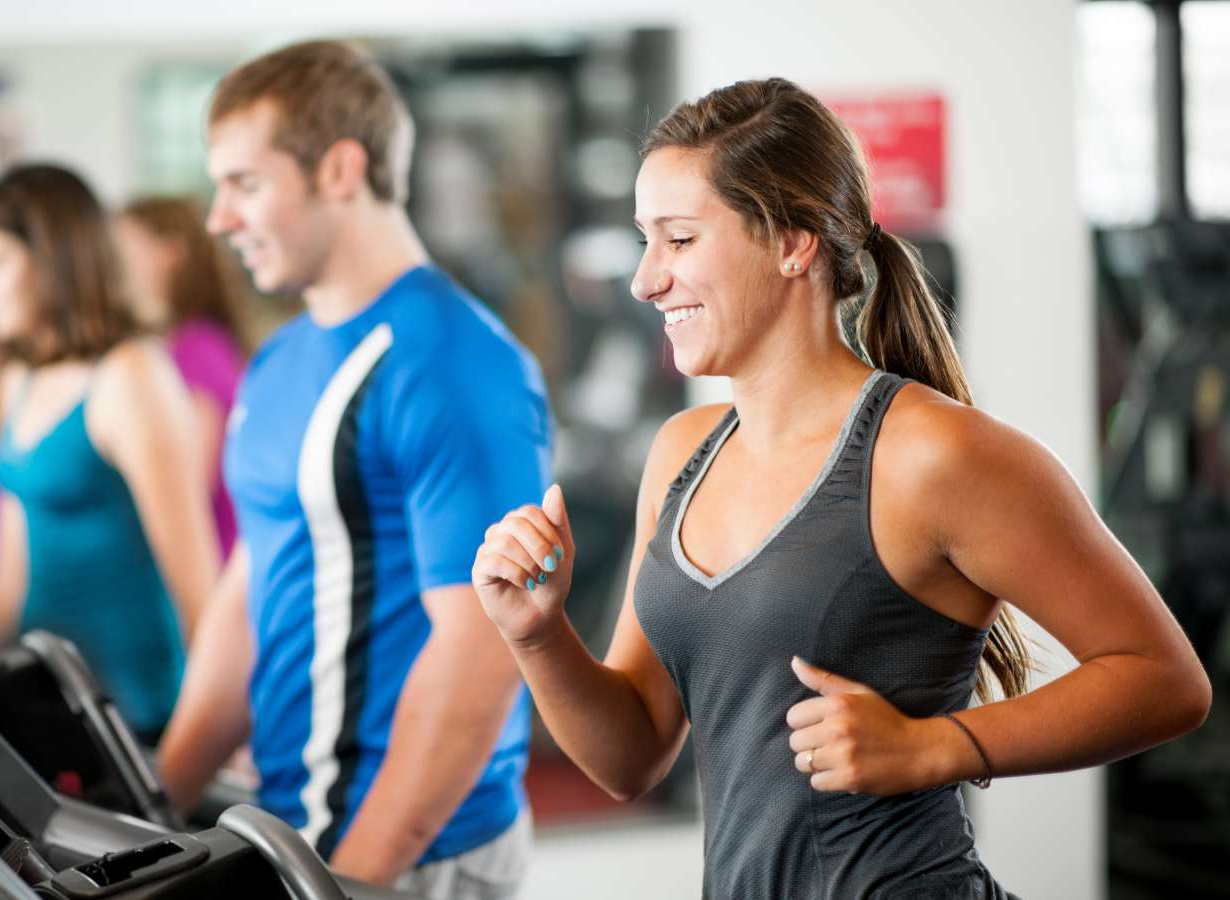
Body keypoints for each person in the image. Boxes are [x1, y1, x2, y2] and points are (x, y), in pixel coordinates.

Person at [472, 78, 1212, 900]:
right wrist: (538, 636)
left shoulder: (932, 454)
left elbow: (1165, 678)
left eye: (679, 240)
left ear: (793, 244)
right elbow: (629, 757)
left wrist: (934, 748)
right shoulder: (682, 454)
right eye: (646, 241)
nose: (647, 281)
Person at [156, 40, 551, 900]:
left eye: (245, 184)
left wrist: (352, 879)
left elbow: (482, 645)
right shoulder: (279, 360)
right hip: (298, 830)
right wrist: (155, 804)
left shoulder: (451, 361)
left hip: (412, 853)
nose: (220, 219)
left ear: (339, 169)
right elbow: (246, 591)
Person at [0, 163, 220, 743]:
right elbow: (9, 576)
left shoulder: (132, 377)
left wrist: (216, 739)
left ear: (54, 258)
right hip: (43, 689)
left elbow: (198, 588)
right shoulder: (21, 373)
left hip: (129, 712)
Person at [113, 196, 249, 559]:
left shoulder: (199, 350)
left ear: (170, 252)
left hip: (210, 565)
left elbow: (190, 484)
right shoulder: (161, 348)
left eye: (124, 247)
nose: (111, 262)